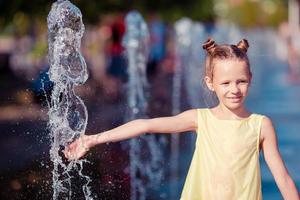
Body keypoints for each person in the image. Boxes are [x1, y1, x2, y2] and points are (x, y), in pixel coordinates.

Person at [64, 38, 300, 200]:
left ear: (250, 78)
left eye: (241, 81)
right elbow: (146, 125)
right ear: (210, 83)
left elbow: (284, 178)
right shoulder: (201, 119)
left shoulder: (260, 125)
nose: (234, 89)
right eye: (226, 83)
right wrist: (92, 139)